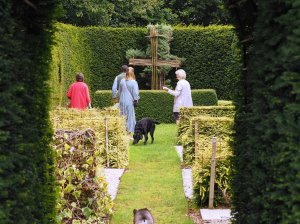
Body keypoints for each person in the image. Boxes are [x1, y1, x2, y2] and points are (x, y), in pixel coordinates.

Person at [118, 67, 139, 135]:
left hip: (122, 100)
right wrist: (136, 100)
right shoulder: (133, 82)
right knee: (129, 116)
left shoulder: (122, 81)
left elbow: (119, 91)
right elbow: (135, 93)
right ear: (132, 73)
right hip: (129, 100)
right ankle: (128, 132)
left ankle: (122, 130)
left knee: (122, 115)